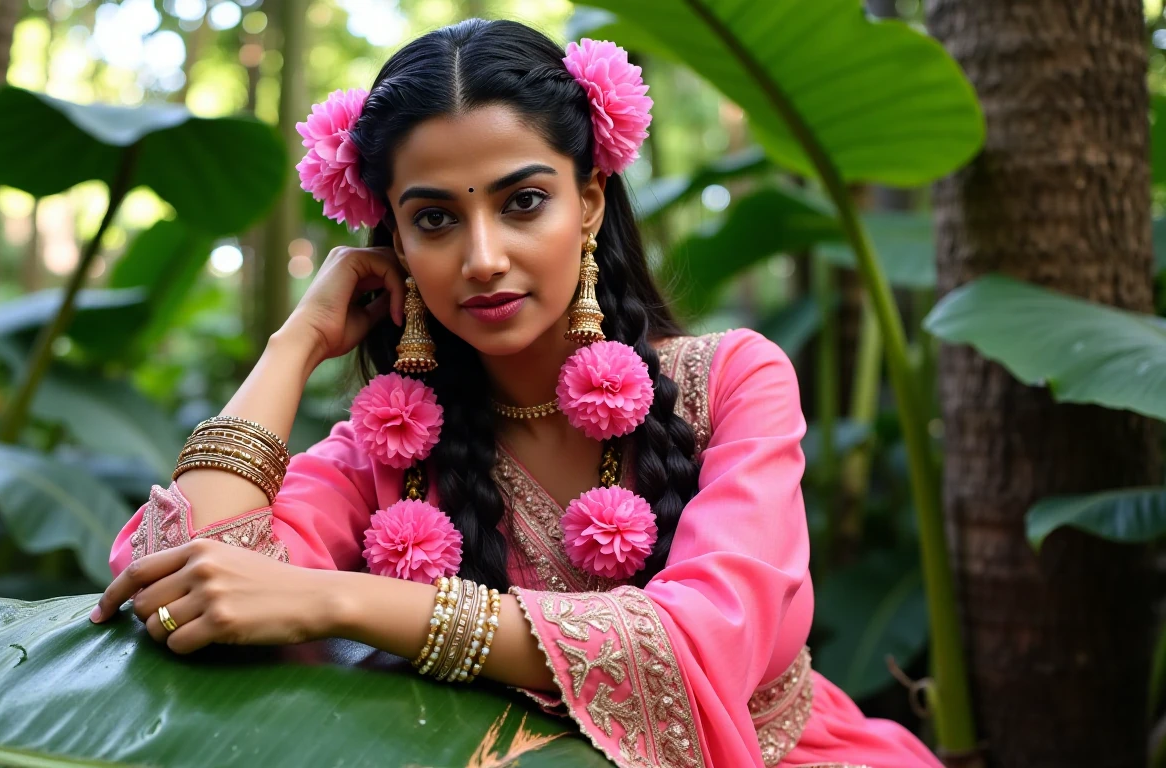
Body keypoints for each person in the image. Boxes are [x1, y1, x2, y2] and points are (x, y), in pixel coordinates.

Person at [91, 18, 943, 768]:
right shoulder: (392, 445)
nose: (483, 256)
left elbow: (696, 649)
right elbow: (170, 578)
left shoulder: (731, 382)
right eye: (434, 220)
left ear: (590, 203)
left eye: (524, 202)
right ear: (392, 241)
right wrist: (297, 341)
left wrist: (339, 598)